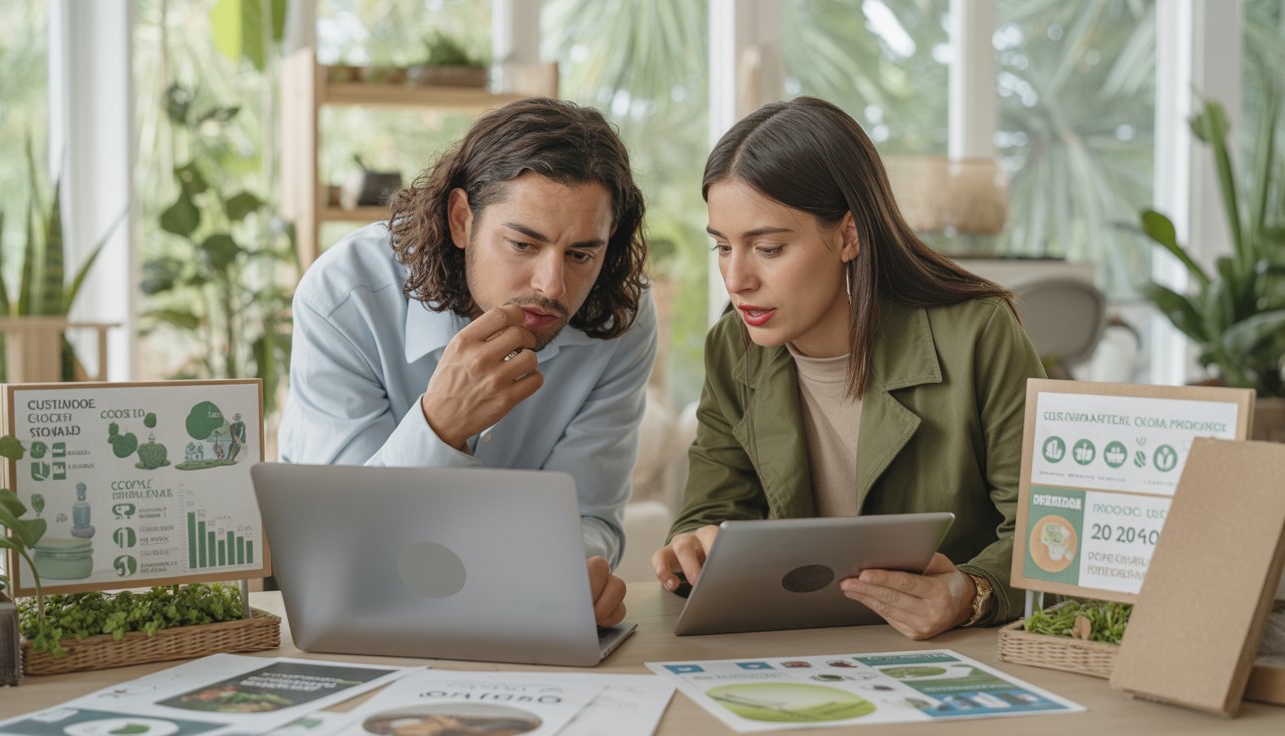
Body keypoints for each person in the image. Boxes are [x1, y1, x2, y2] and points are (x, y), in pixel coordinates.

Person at [651, 97, 1045, 640]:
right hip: (800, 652)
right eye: (722, 247)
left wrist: (971, 592)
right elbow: (714, 510)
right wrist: (694, 545)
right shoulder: (732, 348)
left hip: (952, 656)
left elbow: (1050, 537)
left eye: (767, 248)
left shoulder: (979, 335)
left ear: (849, 236)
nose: (736, 279)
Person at [280, 98, 657, 628]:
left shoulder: (621, 315)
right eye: (524, 243)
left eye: (581, 254)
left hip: (520, 617)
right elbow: (339, 548)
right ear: (462, 219)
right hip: (355, 611)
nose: (553, 287)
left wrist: (578, 572)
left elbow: (589, 514)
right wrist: (439, 425)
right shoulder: (345, 297)